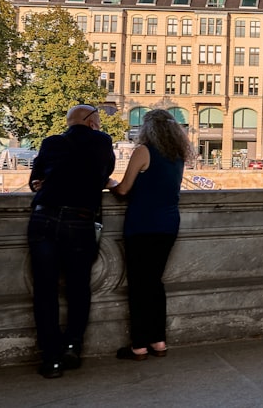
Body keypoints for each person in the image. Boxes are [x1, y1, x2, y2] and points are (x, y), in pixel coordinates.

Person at [27, 105, 117, 379]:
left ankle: (50, 359)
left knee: (45, 290)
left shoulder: (51, 142)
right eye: (98, 121)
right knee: (79, 288)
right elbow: (104, 172)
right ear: (91, 123)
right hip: (79, 220)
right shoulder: (101, 141)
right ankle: (72, 345)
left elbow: (35, 181)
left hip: (44, 218)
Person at [110, 108, 191, 360]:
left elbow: (124, 189)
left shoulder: (143, 151)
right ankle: (159, 341)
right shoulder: (177, 155)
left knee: (138, 285)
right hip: (168, 224)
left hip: (142, 225)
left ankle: (139, 345)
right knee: (155, 283)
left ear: (148, 128)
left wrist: (110, 183)